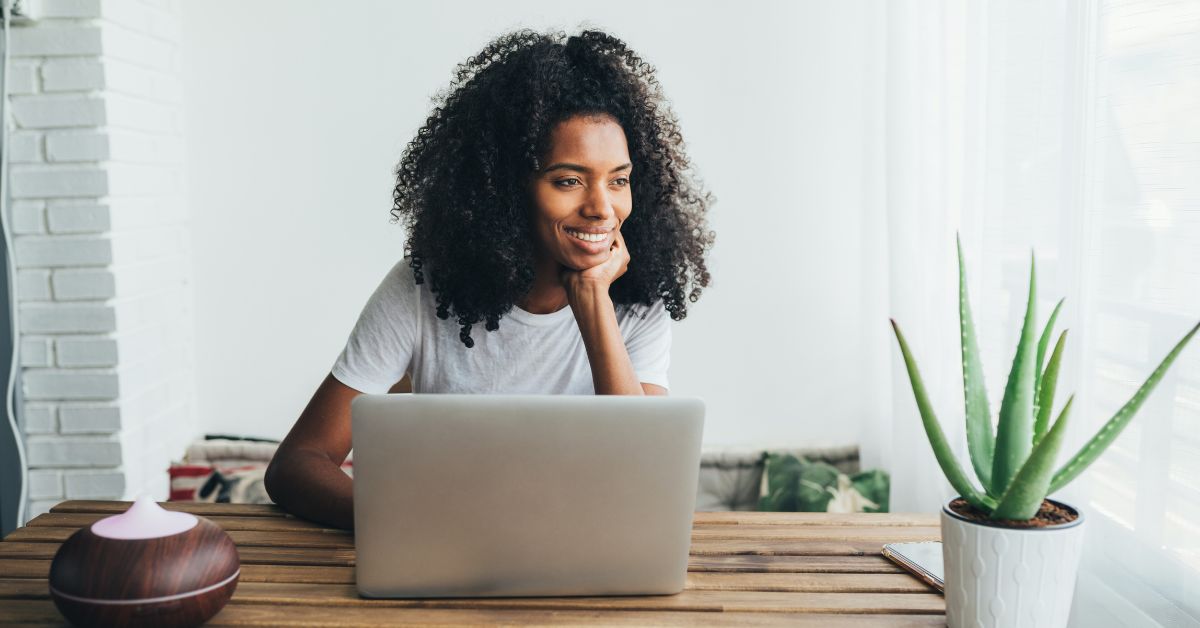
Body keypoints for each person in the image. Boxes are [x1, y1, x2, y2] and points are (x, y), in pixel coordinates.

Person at [264, 28, 714, 530]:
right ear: (506, 188)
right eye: (568, 180)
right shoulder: (423, 289)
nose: (602, 208)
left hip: (586, 557)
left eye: (619, 180)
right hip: (445, 549)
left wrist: (593, 302)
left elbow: (645, 482)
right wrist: (407, 524)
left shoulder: (636, 302)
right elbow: (296, 464)